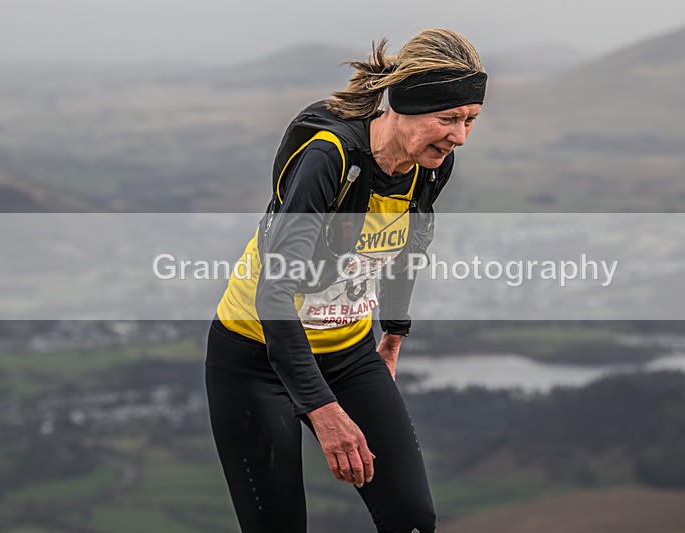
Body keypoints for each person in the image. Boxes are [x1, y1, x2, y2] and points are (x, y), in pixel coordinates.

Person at [205, 28, 486, 533]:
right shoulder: (329, 159)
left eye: (470, 120)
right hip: (254, 358)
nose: (459, 135)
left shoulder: (430, 164)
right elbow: (275, 292)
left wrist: (394, 333)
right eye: (448, 118)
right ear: (403, 106)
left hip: (347, 352)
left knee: (412, 516)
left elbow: (409, 246)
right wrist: (322, 410)